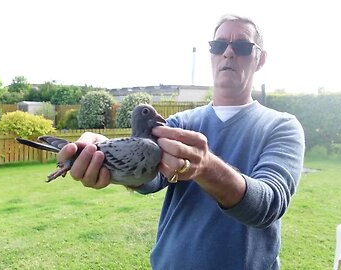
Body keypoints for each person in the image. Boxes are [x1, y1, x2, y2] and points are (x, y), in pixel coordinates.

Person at [60, 14, 305, 269]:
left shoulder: (282, 127)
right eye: (219, 45)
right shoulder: (179, 123)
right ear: (212, 53)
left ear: (260, 59)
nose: (228, 53)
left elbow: (269, 205)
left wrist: (207, 167)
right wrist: (106, 159)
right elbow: (152, 179)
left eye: (242, 47)